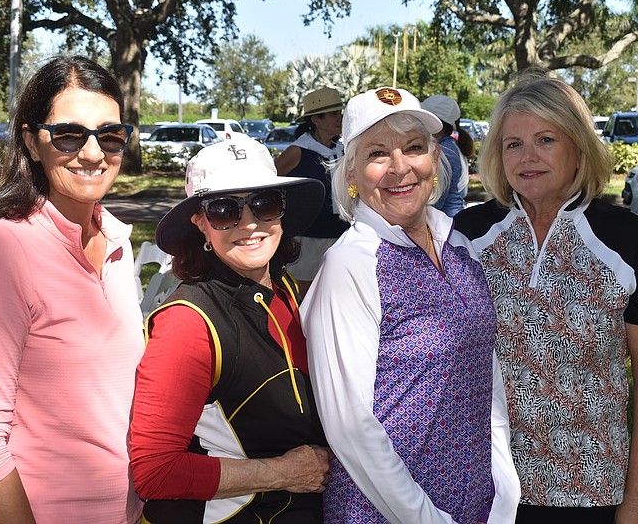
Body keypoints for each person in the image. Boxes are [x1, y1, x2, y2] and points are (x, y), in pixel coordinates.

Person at [454, 70, 638, 524]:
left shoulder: (628, 240)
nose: (527, 157)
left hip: (589, 492)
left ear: (579, 148)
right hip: (482, 487)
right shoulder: (466, 236)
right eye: (513, 143)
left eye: (546, 139)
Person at [301, 86, 520, 524]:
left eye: (414, 148)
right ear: (351, 174)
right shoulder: (352, 263)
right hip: (387, 510)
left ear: (435, 161)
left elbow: (484, 364)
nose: (400, 168)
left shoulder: (457, 244)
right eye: (378, 154)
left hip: (475, 501)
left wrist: (504, 483)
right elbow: (351, 427)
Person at [0, 55, 144, 524]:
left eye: (110, 134)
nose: (94, 153)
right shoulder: (4, 250)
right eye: (69, 134)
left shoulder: (117, 242)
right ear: (33, 143)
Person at [129, 140, 332, 523]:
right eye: (225, 211)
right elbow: (156, 472)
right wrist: (282, 473)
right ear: (201, 223)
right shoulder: (187, 323)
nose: (250, 223)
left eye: (264, 203)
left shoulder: (283, 288)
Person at [274, 87, 348, 288]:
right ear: (316, 120)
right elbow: (271, 184)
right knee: (304, 296)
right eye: (334, 114)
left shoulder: (343, 150)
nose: (340, 118)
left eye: (340, 113)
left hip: (341, 236)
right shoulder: (297, 151)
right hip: (307, 239)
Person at [422, 94, 469, 216]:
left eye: (425, 119)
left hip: (445, 222)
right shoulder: (450, 146)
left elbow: (435, 199)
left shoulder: (443, 152)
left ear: (438, 125)